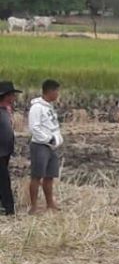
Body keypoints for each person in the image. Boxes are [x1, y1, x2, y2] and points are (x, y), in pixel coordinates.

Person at [28, 79, 63, 214]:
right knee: (37, 176)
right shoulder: (37, 108)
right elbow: (34, 128)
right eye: (57, 91)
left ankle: (50, 203)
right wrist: (48, 139)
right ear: (50, 91)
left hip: (52, 147)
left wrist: (57, 140)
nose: (58, 94)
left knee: (50, 175)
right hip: (40, 146)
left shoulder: (49, 107)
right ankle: (34, 206)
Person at [0, 81, 23, 216]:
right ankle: (9, 209)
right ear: (6, 96)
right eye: (12, 95)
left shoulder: (7, 110)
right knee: (4, 180)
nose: (14, 97)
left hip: (6, 151)